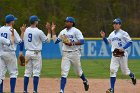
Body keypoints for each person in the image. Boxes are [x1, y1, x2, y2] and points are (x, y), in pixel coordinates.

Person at [51, 16, 89, 93]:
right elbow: (55, 41)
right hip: (65, 54)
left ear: (72, 23)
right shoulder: (62, 32)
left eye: (67, 21)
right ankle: (61, 91)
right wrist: (53, 31)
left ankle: (85, 81)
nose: (66, 23)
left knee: (78, 73)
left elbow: (82, 41)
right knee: (64, 73)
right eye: (65, 21)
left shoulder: (76, 31)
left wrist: (72, 43)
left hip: (75, 53)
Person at [100, 18, 136, 93]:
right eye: (114, 23)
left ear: (120, 25)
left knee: (125, 72)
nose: (115, 25)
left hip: (123, 55)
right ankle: (112, 89)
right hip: (114, 54)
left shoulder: (124, 33)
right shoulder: (111, 34)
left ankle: (132, 75)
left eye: (117, 23)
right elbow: (107, 43)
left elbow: (130, 42)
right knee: (112, 70)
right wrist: (104, 38)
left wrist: (123, 48)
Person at [20, 15, 51, 93]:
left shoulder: (26, 30)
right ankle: (34, 91)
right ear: (36, 22)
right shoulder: (39, 31)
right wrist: (49, 30)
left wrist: (22, 31)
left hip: (27, 53)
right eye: (37, 21)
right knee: (36, 72)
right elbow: (47, 41)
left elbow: (22, 39)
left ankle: (25, 90)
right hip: (36, 54)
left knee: (27, 72)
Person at [0, 14, 22, 93]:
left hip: (1, 53)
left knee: (1, 75)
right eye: (13, 20)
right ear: (11, 21)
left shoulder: (0, 29)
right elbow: (19, 41)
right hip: (10, 53)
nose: (14, 21)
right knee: (13, 73)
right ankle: (12, 91)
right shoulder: (13, 30)